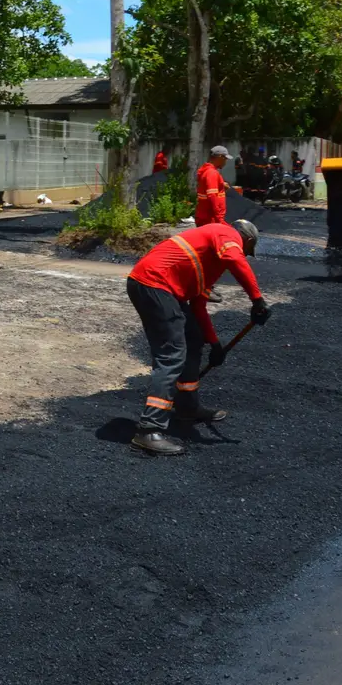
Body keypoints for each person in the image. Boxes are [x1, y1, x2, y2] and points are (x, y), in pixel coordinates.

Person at [126, 220, 271, 456]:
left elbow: (198, 307)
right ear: (247, 240)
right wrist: (257, 300)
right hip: (154, 284)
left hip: (161, 287)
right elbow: (235, 260)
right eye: (245, 249)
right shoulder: (226, 233)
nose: (242, 252)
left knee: (194, 339)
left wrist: (215, 344)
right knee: (171, 354)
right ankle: (148, 430)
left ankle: (187, 407)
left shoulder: (207, 263)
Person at [195, 145, 232, 226]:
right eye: (225, 159)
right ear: (220, 157)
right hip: (211, 219)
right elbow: (212, 196)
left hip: (206, 217)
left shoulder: (207, 171)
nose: (225, 162)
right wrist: (219, 219)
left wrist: (221, 185)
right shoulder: (212, 173)